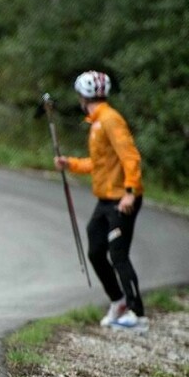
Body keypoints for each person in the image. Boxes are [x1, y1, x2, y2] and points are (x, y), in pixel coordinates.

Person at [54, 71, 146, 332]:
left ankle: (137, 315)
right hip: (105, 199)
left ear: (83, 96)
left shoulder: (110, 120)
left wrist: (130, 191)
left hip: (122, 199)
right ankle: (118, 302)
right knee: (95, 250)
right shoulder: (96, 123)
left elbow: (131, 157)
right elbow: (100, 164)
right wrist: (69, 163)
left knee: (118, 254)